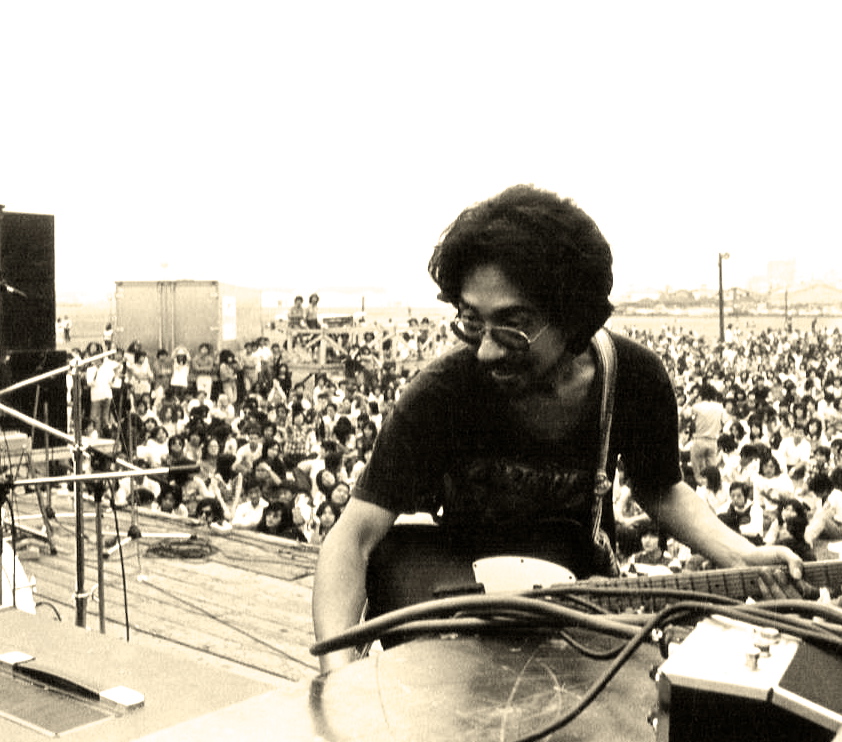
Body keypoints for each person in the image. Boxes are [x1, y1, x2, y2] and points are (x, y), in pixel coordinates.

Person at [312, 185, 803, 673]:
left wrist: (742, 556)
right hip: (461, 623)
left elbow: (661, 489)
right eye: (471, 321)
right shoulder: (443, 392)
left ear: (572, 317)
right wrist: (337, 673)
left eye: (513, 325)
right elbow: (352, 538)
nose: (486, 350)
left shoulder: (632, 379)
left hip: (577, 624)